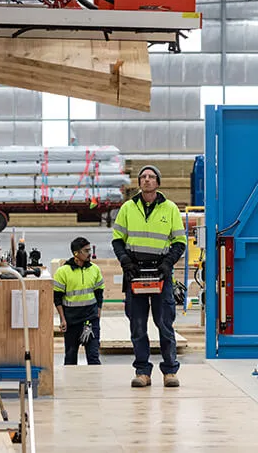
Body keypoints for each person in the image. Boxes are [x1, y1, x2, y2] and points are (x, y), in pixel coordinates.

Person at [112, 165, 187, 388]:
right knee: (137, 325)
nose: (146, 180)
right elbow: (117, 239)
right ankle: (143, 371)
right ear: (139, 182)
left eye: (151, 177)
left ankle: (170, 371)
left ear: (158, 182)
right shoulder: (127, 208)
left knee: (164, 323)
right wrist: (125, 261)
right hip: (134, 273)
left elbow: (179, 242)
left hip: (161, 274)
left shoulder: (170, 209)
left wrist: (167, 263)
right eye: (143, 177)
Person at [53, 236, 105, 366]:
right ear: (76, 253)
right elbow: (57, 297)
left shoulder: (95, 269)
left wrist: (98, 313)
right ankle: (71, 386)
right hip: (72, 321)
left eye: (90, 250)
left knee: (93, 357)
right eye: (86, 251)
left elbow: (99, 293)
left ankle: (95, 385)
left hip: (90, 320)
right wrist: (63, 319)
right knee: (70, 357)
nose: (89, 254)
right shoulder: (63, 272)